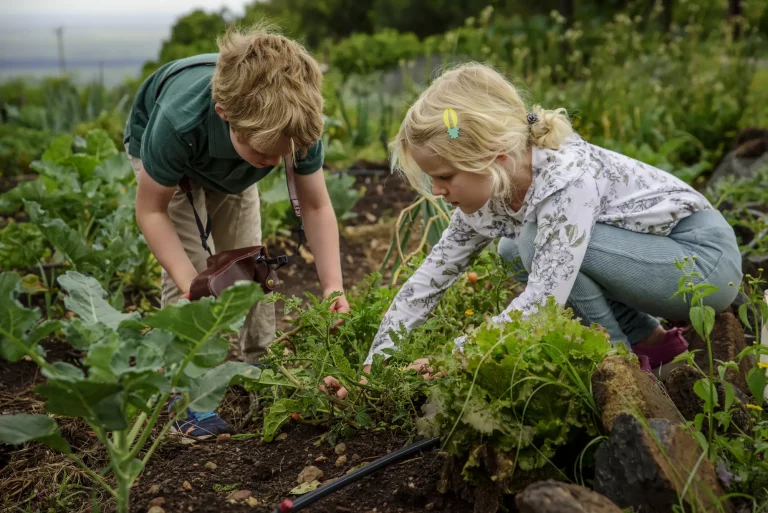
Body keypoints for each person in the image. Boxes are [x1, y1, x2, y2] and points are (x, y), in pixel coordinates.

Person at [322, 62, 742, 398]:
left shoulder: (565, 178)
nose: (437, 189)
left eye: (445, 175)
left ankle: (625, 375)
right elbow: (428, 281)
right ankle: (649, 341)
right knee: (515, 249)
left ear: (496, 157)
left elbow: (543, 299)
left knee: (534, 244)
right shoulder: (492, 191)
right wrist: (376, 365)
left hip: (701, 263)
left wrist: (453, 357)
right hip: (649, 261)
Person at [124, 24, 349, 436]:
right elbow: (151, 211)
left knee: (251, 268)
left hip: (232, 170)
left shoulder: (296, 123)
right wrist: (190, 281)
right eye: (264, 153)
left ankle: (261, 366)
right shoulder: (180, 119)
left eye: (281, 155)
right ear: (226, 114)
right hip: (171, 170)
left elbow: (316, 204)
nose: (272, 162)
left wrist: (333, 285)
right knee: (190, 285)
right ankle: (184, 394)